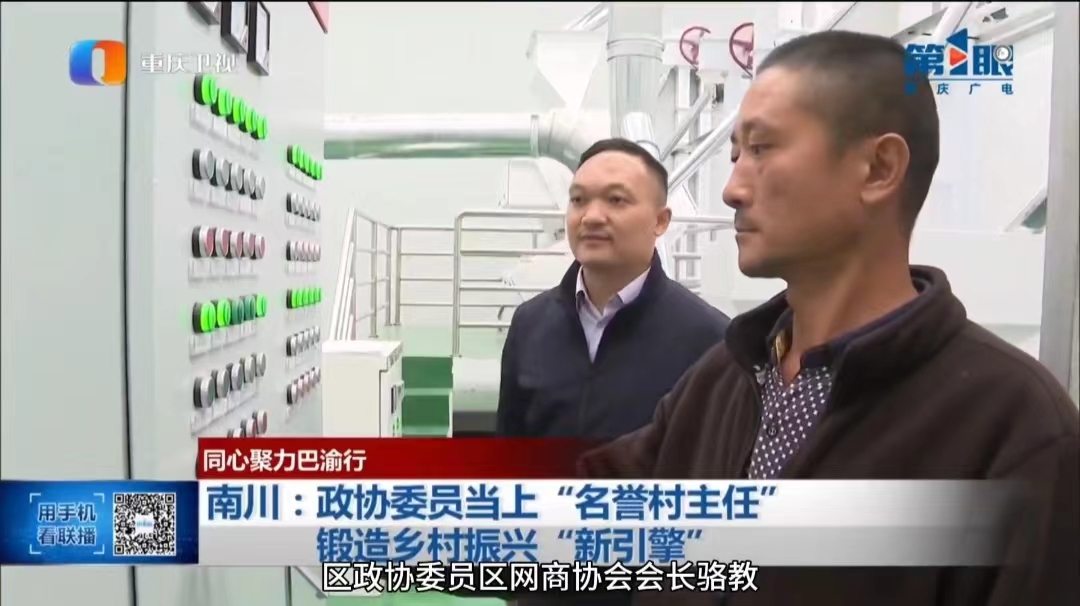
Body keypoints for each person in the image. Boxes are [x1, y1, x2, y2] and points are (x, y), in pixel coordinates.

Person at [578, 31, 1079, 606]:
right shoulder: (724, 379)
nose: (732, 189)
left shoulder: (1014, 430)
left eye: (762, 149)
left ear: (878, 168)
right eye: (736, 155)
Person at [497, 138, 730, 443]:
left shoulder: (710, 339)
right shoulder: (530, 323)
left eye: (616, 200)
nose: (591, 217)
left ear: (660, 221)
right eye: (578, 200)